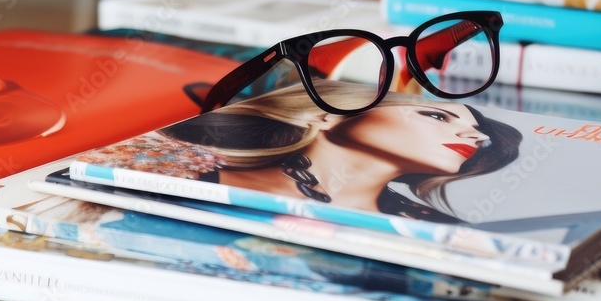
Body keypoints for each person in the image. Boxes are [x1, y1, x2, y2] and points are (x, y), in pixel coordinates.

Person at [75, 83, 523, 224]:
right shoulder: (173, 171)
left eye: (476, 130)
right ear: (328, 115)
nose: (476, 135)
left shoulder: (439, 228)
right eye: (439, 116)